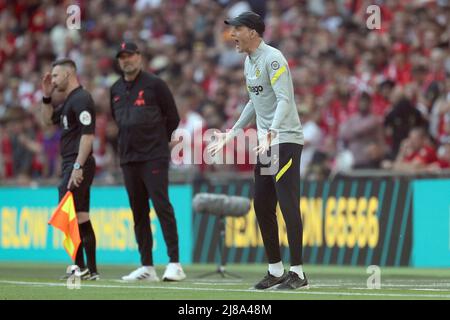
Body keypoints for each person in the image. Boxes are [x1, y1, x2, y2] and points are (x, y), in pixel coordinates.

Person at [209, 12, 308, 290]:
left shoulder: (273, 58)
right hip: (266, 143)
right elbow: (254, 102)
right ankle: (275, 270)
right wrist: (233, 133)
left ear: (253, 31)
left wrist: (273, 132)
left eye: (237, 29)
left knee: (288, 203)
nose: (233, 35)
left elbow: (284, 99)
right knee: (263, 204)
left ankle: (298, 274)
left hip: (285, 140)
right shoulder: (248, 62)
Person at [110, 42, 185, 282]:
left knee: (162, 206)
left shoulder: (155, 85)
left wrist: (159, 142)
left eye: (130, 56)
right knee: (138, 211)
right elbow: (117, 121)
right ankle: (147, 266)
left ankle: (174, 263)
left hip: (153, 156)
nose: (126, 60)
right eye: (122, 57)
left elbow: (173, 117)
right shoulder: (115, 89)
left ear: (139, 57)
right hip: (129, 158)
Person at [40, 58, 99, 280]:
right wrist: (46, 95)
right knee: (80, 215)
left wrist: (78, 166)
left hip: (77, 162)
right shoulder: (68, 102)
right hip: (72, 162)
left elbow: (88, 135)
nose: (52, 80)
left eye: (55, 76)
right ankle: (89, 269)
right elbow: (46, 121)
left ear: (68, 74)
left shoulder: (82, 99)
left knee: (68, 213)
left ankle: (80, 266)